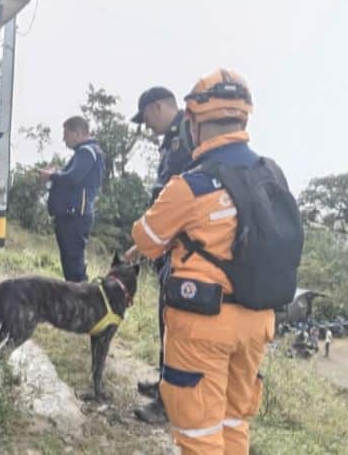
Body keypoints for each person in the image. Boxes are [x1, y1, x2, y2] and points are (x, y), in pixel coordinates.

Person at [129, 69, 276, 454]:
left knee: (199, 436)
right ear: (242, 118)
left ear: (193, 123)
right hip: (257, 323)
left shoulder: (191, 184)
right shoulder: (272, 177)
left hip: (204, 325)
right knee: (233, 422)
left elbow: (146, 239)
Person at [127, 86, 194, 425]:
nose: (147, 126)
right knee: (165, 319)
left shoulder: (188, 132)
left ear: (157, 107)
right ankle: (165, 383)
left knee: (176, 323)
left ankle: (169, 403)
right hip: (168, 245)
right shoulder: (173, 138)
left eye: (146, 118)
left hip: (184, 249)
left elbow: (184, 194)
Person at [39, 116, 104, 282]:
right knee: (71, 265)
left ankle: (81, 304)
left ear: (77, 133)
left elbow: (73, 177)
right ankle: (76, 302)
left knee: (74, 269)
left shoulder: (87, 152)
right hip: (71, 216)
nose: (64, 140)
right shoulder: (85, 153)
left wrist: (52, 175)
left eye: (66, 135)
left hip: (74, 217)